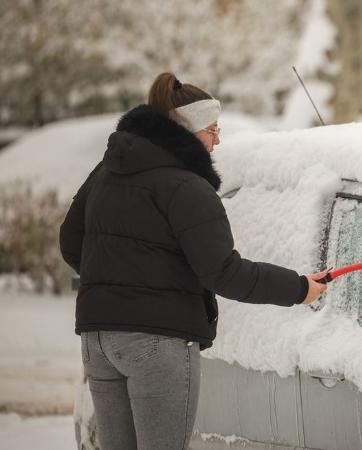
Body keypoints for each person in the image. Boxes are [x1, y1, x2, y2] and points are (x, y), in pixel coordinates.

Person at [59, 72, 328, 450]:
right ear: (184, 130)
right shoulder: (187, 186)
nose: (217, 141)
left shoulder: (105, 173)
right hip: (157, 344)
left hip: (98, 339)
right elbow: (223, 272)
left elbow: (71, 243)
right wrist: (299, 288)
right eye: (211, 129)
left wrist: (119, 282)